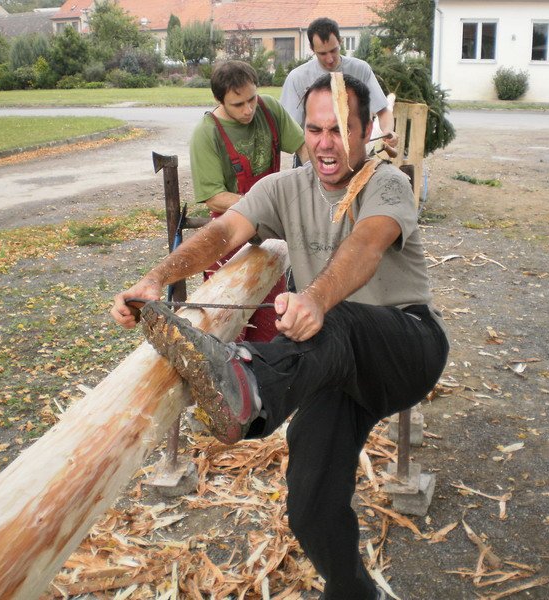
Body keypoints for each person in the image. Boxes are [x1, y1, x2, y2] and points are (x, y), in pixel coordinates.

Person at [112, 74, 448, 600]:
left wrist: (314, 297)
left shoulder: (387, 183)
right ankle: (354, 592)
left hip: (406, 344)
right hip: (337, 362)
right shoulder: (284, 188)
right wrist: (157, 277)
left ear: (364, 134)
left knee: (337, 318)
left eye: (339, 129)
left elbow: (367, 242)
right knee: (309, 503)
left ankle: (248, 381)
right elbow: (223, 232)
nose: (324, 143)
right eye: (314, 129)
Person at [190, 60, 308, 341]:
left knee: (271, 326)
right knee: (225, 329)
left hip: (267, 239)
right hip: (228, 238)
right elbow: (214, 198)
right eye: (238, 104)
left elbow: (304, 146)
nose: (248, 110)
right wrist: (261, 205)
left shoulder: (269, 110)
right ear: (220, 100)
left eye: (251, 99)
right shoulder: (207, 134)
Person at [280, 17, 398, 153]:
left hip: (354, 152)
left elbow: (383, 111)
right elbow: (289, 128)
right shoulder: (297, 78)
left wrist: (388, 131)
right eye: (322, 53)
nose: (329, 59)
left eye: (333, 50)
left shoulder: (360, 69)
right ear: (312, 49)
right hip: (314, 153)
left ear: (340, 41)